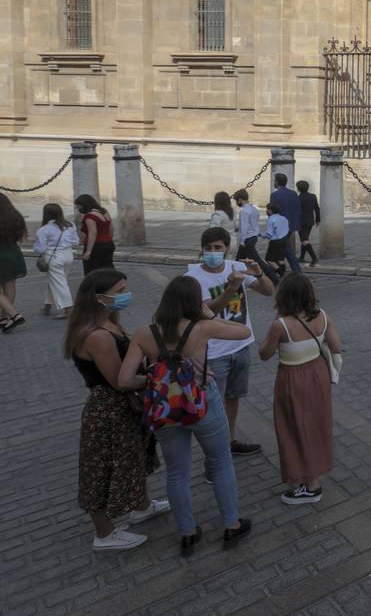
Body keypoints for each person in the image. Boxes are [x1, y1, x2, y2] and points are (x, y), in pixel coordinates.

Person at [118, 276, 254, 555]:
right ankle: (231, 524)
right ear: (193, 302)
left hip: (165, 409)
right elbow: (242, 332)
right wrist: (207, 312)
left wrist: (158, 383)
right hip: (202, 402)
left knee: (177, 471)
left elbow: (123, 380)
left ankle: (188, 533)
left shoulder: (144, 333)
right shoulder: (201, 327)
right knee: (220, 462)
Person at [63, 268, 168, 550]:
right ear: (100, 298)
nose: (126, 295)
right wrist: (157, 378)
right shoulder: (97, 335)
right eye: (120, 291)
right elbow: (119, 380)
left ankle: (141, 506)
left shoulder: (109, 323)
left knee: (133, 458)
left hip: (124, 408)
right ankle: (104, 533)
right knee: (102, 468)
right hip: (109, 409)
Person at [186, 226, 275, 458]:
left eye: (218, 248)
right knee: (212, 406)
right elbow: (208, 309)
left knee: (233, 398)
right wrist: (232, 288)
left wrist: (258, 273)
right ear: (202, 250)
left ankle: (230, 441)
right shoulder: (193, 278)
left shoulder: (236, 267)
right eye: (208, 248)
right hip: (213, 352)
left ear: (227, 249)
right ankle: (213, 457)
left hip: (240, 346)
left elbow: (269, 291)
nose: (213, 252)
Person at [259, 273, 342, 506]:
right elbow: (337, 346)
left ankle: (310, 483)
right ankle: (315, 470)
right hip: (318, 373)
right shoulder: (323, 316)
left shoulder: (280, 325)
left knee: (293, 427)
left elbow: (264, 354)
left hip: (292, 377)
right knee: (316, 423)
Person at [34, 202, 80, 319]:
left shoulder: (44, 229)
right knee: (57, 280)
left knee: (59, 283)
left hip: (53, 257)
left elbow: (41, 248)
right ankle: (47, 305)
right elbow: (76, 242)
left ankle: (67, 309)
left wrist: (35, 247)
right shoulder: (70, 225)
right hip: (68, 255)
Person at [232, 189, 276, 283]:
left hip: (247, 239)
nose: (237, 203)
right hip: (253, 237)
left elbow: (244, 227)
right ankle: (234, 277)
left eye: (237, 200)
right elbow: (254, 224)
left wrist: (242, 241)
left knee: (257, 261)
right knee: (239, 260)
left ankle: (274, 279)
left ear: (240, 199)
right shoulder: (254, 209)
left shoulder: (244, 211)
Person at [0, 192, 28, 333]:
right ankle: (4, 318)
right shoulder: (15, 216)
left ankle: (14, 315)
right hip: (13, 253)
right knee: (9, 285)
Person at [268, 174, 304, 275]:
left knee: (284, 250)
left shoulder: (275, 195)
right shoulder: (293, 193)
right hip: (291, 225)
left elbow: (272, 211)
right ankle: (278, 270)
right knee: (283, 249)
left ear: (277, 182)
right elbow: (298, 209)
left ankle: (296, 271)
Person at [75, 193, 116, 275]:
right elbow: (110, 227)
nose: (77, 209)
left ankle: (94, 287)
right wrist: (109, 239)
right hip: (108, 243)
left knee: (92, 272)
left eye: (78, 206)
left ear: (84, 205)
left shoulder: (89, 217)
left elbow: (92, 233)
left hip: (97, 246)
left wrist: (88, 251)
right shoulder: (104, 212)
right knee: (108, 270)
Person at [262, 203, 291, 278]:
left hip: (275, 242)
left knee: (269, 260)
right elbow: (287, 230)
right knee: (281, 259)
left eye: (267, 209)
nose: (266, 211)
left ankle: (282, 274)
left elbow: (269, 234)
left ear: (270, 210)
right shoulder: (284, 218)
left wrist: (261, 235)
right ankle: (283, 275)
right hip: (284, 240)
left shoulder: (271, 219)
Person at [296, 180, 321, 267]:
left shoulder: (298, 198)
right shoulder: (313, 196)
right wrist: (318, 219)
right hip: (310, 221)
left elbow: (297, 211)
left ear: (298, 188)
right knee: (304, 238)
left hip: (301, 222)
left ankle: (314, 258)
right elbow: (317, 208)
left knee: (304, 240)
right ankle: (302, 257)